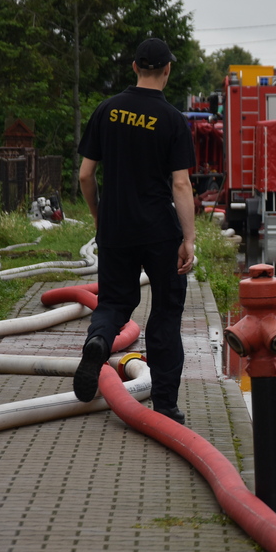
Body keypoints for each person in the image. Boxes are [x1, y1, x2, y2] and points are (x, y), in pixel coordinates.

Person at [75, 37, 197, 424]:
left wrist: (99, 216)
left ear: (133, 67)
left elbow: (85, 175)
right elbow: (180, 184)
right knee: (164, 313)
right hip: (160, 231)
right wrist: (189, 239)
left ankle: (97, 342)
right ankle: (165, 404)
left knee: (113, 302)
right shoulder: (174, 121)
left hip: (116, 227)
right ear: (167, 70)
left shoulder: (106, 110)